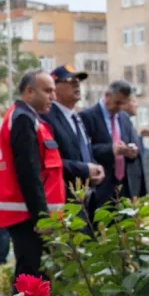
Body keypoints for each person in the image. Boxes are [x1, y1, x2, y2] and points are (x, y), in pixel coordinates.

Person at [0, 70, 65, 282]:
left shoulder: (29, 118)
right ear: (29, 91)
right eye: (48, 91)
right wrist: (41, 218)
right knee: (31, 275)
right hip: (27, 216)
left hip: (29, 214)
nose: (53, 97)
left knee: (35, 273)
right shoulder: (23, 119)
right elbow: (28, 173)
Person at [79, 80, 147, 215]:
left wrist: (132, 151)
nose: (120, 107)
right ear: (107, 96)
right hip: (101, 186)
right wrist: (111, 149)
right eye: (117, 103)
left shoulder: (124, 118)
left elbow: (134, 143)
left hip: (125, 187)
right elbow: (83, 150)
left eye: (124, 103)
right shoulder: (87, 116)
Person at [39, 66, 105, 198]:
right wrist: (85, 170)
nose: (76, 84)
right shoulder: (46, 117)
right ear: (54, 87)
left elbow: (84, 152)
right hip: (62, 198)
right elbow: (47, 160)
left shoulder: (76, 118)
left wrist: (97, 168)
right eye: (70, 80)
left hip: (85, 197)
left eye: (78, 80)